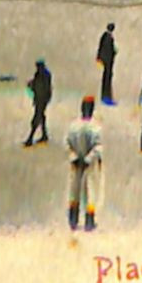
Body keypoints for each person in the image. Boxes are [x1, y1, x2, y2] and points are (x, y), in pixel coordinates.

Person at [64, 96, 102, 231]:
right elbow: (97, 147)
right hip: (89, 166)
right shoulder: (95, 127)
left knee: (74, 191)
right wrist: (89, 159)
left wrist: (73, 157)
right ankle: (89, 220)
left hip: (75, 164)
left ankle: (73, 219)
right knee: (90, 191)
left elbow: (67, 143)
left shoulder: (73, 126)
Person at [23, 59, 53, 147]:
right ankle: (44, 135)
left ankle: (30, 138)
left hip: (42, 99)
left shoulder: (45, 75)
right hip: (40, 99)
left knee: (36, 118)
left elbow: (45, 88)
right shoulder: (40, 74)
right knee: (41, 116)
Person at [96, 23, 118, 106]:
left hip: (106, 61)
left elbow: (100, 47)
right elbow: (108, 50)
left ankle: (105, 96)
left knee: (106, 78)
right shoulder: (109, 38)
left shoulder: (104, 36)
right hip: (108, 62)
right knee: (107, 79)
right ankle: (106, 97)